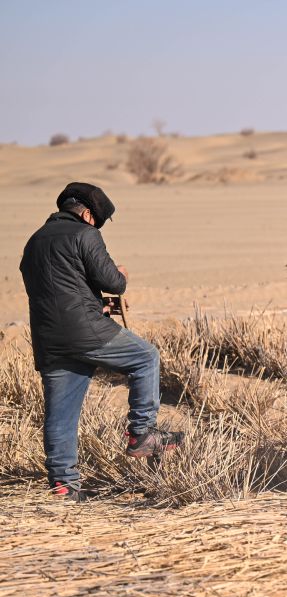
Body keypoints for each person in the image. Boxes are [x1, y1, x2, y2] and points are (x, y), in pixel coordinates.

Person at [20, 183, 184, 501]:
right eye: (97, 220)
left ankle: (64, 487)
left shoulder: (34, 241)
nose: (97, 226)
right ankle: (141, 434)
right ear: (86, 213)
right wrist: (119, 273)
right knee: (145, 356)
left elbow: (60, 289)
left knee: (60, 414)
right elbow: (112, 281)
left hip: (49, 338)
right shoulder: (85, 234)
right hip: (86, 331)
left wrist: (98, 304)